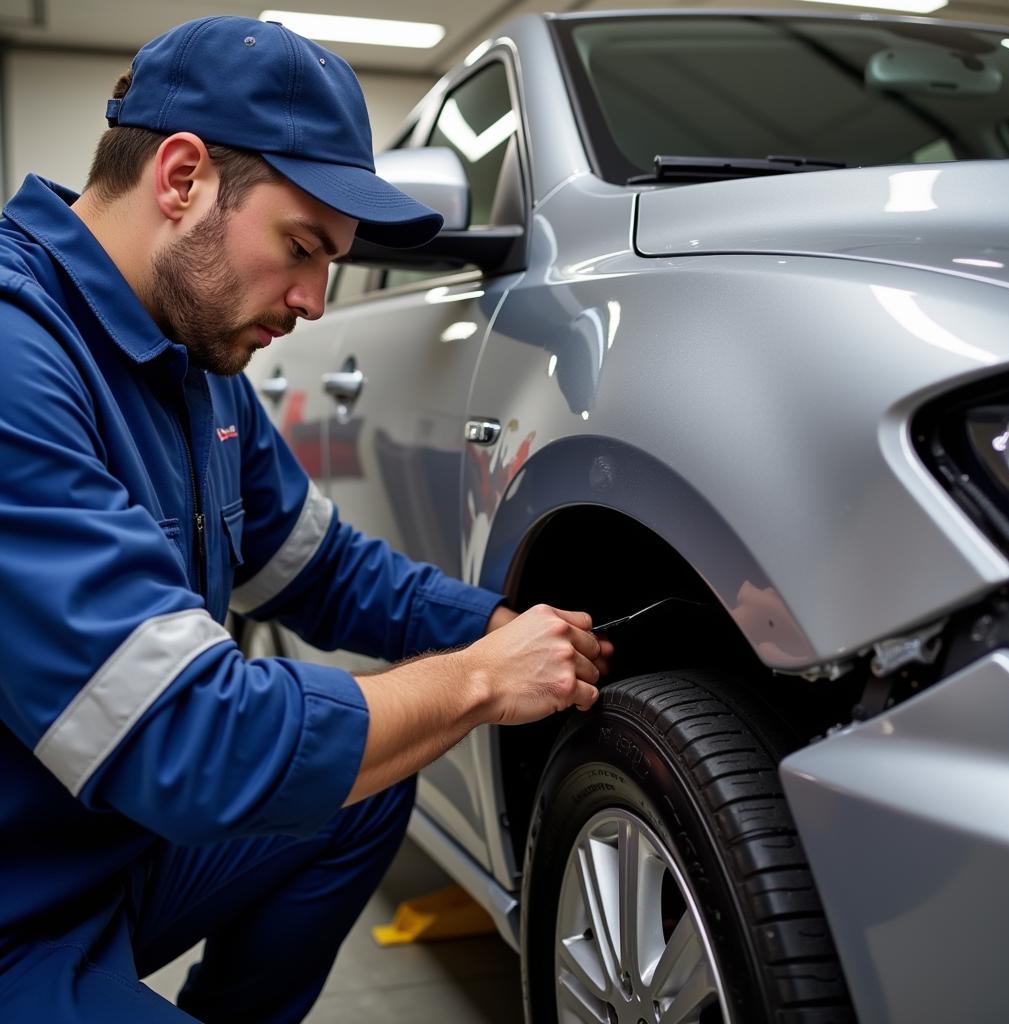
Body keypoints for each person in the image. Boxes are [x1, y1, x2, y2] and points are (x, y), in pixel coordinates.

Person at [0, 16, 612, 1023]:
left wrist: (492, 628)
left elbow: (322, 569)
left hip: (97, 848)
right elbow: (190, 739)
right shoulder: (21, 362)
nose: (317, 301)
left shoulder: (191, 363)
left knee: (362, 791)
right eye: (301, 247)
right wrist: (471, 684)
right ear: (183, 177)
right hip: (17, 905)